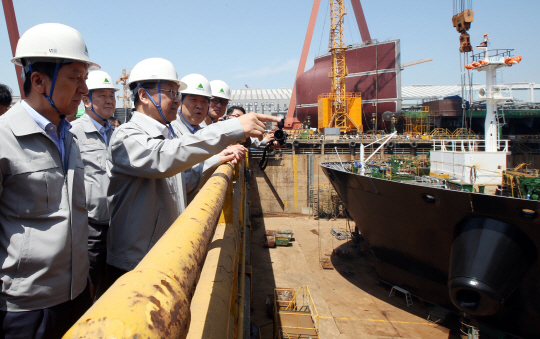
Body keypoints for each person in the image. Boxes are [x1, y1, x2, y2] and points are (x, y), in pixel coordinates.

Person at [106, 58, 280, 287]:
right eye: (171, 92)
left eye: (178, 93)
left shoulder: (169, 136)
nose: (177, 100)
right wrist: (232, 129)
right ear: (144, 96)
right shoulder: (127, 136)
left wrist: (219, 156)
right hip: (134, 263)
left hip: (162, 254)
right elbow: (162, 157)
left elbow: (185, 181)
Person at [0, 23, 99, 338]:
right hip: (25, 311)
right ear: (39, 81)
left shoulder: (68, 135)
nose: (84, 89)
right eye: (75, 78)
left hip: (77, 295)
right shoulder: (5, 138)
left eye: (85, 78)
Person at [70, 70, 117, 301]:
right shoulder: (74, 132)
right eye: (102, 95)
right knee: (91, 286)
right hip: (91, 227)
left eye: (112, 95)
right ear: (87, 100)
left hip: (117, 225)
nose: (109, 100)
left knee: (112, 285)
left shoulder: (117, 133)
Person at [171, 74, 246, 203]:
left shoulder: (201, 130)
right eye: (193, 100)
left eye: (204, 101)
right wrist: (219, 157)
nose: (199, 106)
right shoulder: (171, 133)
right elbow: (183, 182)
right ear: (179, 101)